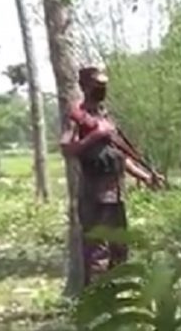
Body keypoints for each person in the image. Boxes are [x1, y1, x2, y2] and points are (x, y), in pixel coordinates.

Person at [59, 66, 160, 286]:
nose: (101, 89)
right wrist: (95, 135)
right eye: (97, 85)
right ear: (84, 86)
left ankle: (116, 296)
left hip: (116, 195)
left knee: (120, 249)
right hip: (94, 194)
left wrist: (145, 177)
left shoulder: (106, 117)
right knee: (97, 253)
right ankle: (96, 299)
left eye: (104, 86)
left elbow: (121, 157)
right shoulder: (78, 116)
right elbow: (66, 148)